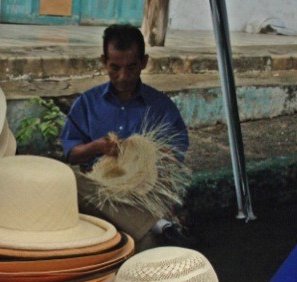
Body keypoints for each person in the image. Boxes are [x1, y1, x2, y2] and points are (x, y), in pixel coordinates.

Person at [60, 24, 196, 250]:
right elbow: (72, 154)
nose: (123, 76)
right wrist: (96, 147)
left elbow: (175, 156)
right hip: (100, 190)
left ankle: (142, 228)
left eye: (131, 68)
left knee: (152, 202)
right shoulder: (87, 103)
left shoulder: (161, 106)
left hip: (144, 190)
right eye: (115, 68)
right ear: (104, 62)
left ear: (144, 62)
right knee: (69, 180)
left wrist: (150, 156)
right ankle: (154, 226)